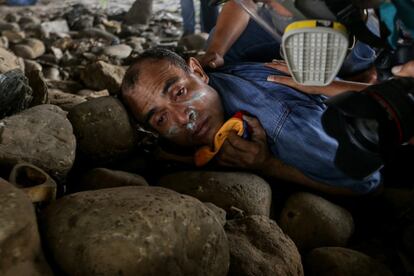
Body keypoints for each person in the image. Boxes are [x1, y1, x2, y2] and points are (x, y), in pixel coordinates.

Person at [121, 47, 381, 196]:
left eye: (179, 92)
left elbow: (366, 180)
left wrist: (269, 165)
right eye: (161, 118)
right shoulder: (218, 81)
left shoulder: (277, 123)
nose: (183, 118)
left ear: (199, 72)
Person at [199, 0, 379, 83]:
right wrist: (216, 50)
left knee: (352, 67)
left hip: (345, 25)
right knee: (218, 48)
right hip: (288, 19)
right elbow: (239, 2)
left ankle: (359, 70)